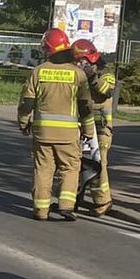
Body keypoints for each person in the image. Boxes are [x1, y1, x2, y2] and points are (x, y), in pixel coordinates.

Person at [18, 28, 97, 222]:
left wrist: (23, 123)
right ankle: (66, 206)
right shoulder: (78, 74)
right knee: (70, 168)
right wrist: (88, 130)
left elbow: (26, 102)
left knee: (43, 169)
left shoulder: (38, 72)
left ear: (47, 49)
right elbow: (85, 107)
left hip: (43, 133)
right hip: (68, 135)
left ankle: (40, 210)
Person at [71, 39, 115, 215]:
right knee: (76, 164)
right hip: (82, 128)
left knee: (98, 165)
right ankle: (72, 199)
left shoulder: (106, 75)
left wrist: (91, 76)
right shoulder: (78, 75)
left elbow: (106, 90)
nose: (80, 64)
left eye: (83, 61)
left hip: (101, 130)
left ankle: (102, 201)